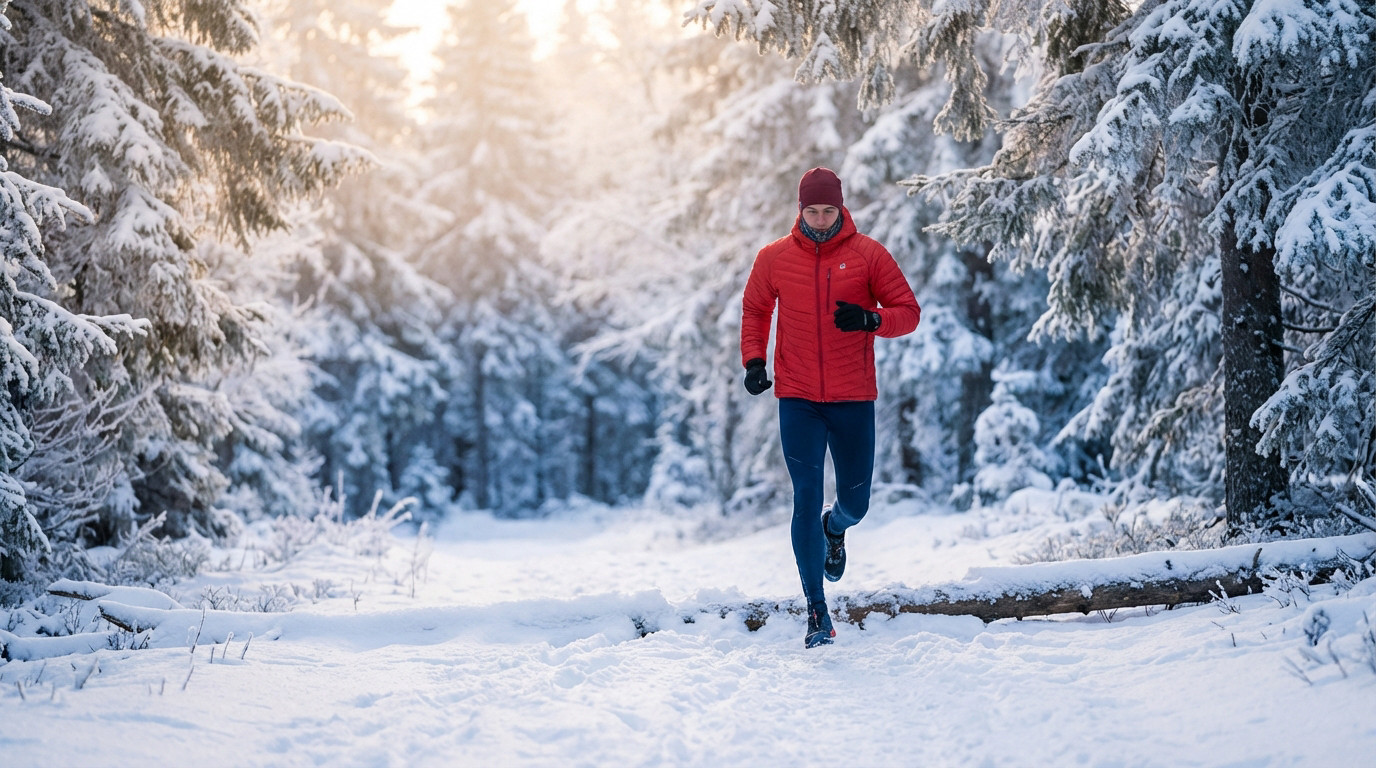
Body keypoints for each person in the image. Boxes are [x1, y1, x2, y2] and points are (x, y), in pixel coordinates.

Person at [740, 167, 920, 648]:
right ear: (800, 210)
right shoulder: (774, 258)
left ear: (841, 208)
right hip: (797, 397)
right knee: (804, 493)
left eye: (828, 210)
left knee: (856, 504)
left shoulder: (868, 255)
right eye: (812, 210)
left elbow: (909, 312)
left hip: (852, 396)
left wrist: (870, 318)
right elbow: (757, 309)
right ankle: (817, 611)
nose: (820, 219)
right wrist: (754, 361)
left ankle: (833, 528)